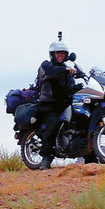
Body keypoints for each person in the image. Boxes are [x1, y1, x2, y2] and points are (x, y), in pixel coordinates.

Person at [34, 34, 79, 169]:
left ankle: (90, 153)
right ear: (52, 54)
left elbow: (71, 84)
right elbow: (52, 71)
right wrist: (67, 69)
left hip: (64, 102)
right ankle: (46, 158)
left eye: (63, 54)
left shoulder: (67, 68)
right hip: (49, 104)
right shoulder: (46, 65)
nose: (60, 56)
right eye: (58, 54)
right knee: (52, 125)